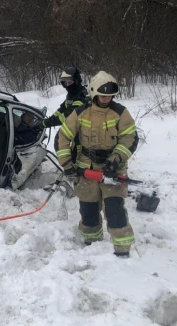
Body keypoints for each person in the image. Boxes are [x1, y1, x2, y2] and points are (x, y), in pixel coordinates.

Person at [56, 71, 139, 258]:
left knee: (115, 208)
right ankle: (90, 241)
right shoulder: (80, 112)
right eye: (102, 95)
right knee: (88, 209)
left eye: (110, 96)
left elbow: (130, 138)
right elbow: (62, 137)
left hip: (113, 169)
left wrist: (116, 159)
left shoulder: (120, 112)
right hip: (86, 168)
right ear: (93, 92)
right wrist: (67, 164)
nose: (106, 99)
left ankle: (122, 248)